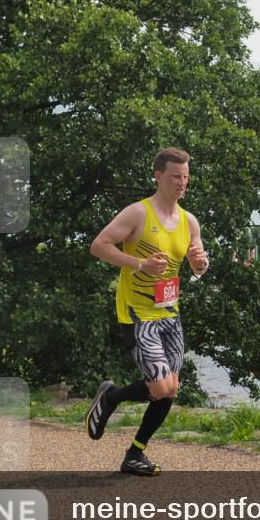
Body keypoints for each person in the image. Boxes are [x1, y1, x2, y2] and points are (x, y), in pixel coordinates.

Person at [86, 147, 209, 475]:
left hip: (169, 313)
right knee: (160, 387)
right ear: (158, 176)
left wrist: (200, 264)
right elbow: (99, 245)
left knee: (171, 388)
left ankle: (134, 454)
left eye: (186, 177)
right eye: (175, 176)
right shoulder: (138, 213)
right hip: (138, 313)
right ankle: (111, 397)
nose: (182, 182)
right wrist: (139, 263)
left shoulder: (189, 221)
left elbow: (199, 265)